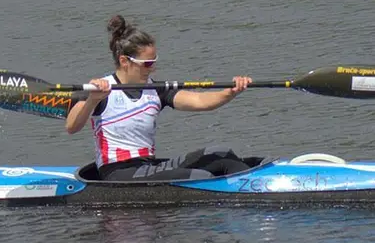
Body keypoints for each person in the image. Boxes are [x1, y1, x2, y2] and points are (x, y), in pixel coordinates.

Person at [66, 15, 253, 181]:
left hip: (148, 166)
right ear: (124, 61)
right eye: (147, 64)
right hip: (117, 172)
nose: (152, 68)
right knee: (201, 177)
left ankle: (256, 186)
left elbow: (200, 102)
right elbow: (72, 127)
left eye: (154, 62)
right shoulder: (100, 89)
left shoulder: (155, 89)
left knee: (221, 155)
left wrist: (231, 91)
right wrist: (93, 99)